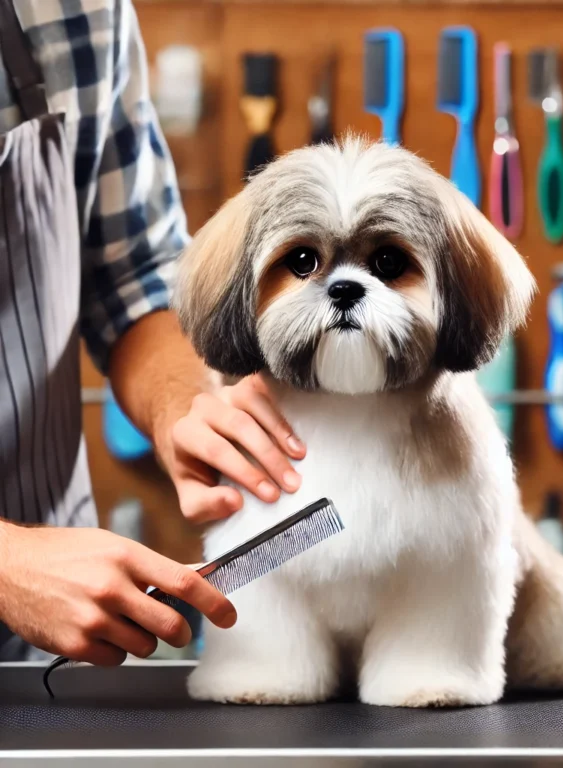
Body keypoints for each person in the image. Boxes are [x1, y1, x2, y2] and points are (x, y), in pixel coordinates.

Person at [0, 0, 304, 662]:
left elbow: (134, 277)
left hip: (55, 641)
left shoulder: (76, 12)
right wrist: (7, 562)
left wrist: (182, 404)